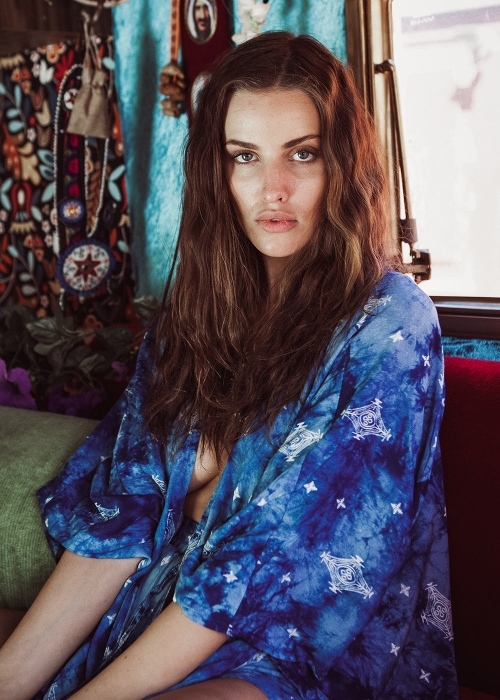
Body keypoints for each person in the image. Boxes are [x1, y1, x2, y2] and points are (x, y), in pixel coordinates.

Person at [0, 32, 458, 700]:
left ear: (342, 162)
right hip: (158, 606)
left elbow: (272, 564)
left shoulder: (391, 321)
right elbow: (121, 513)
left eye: (302, 153)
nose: (274, 189)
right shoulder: (195, 313)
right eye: (245, 156)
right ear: (219, 173)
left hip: (306, 647)